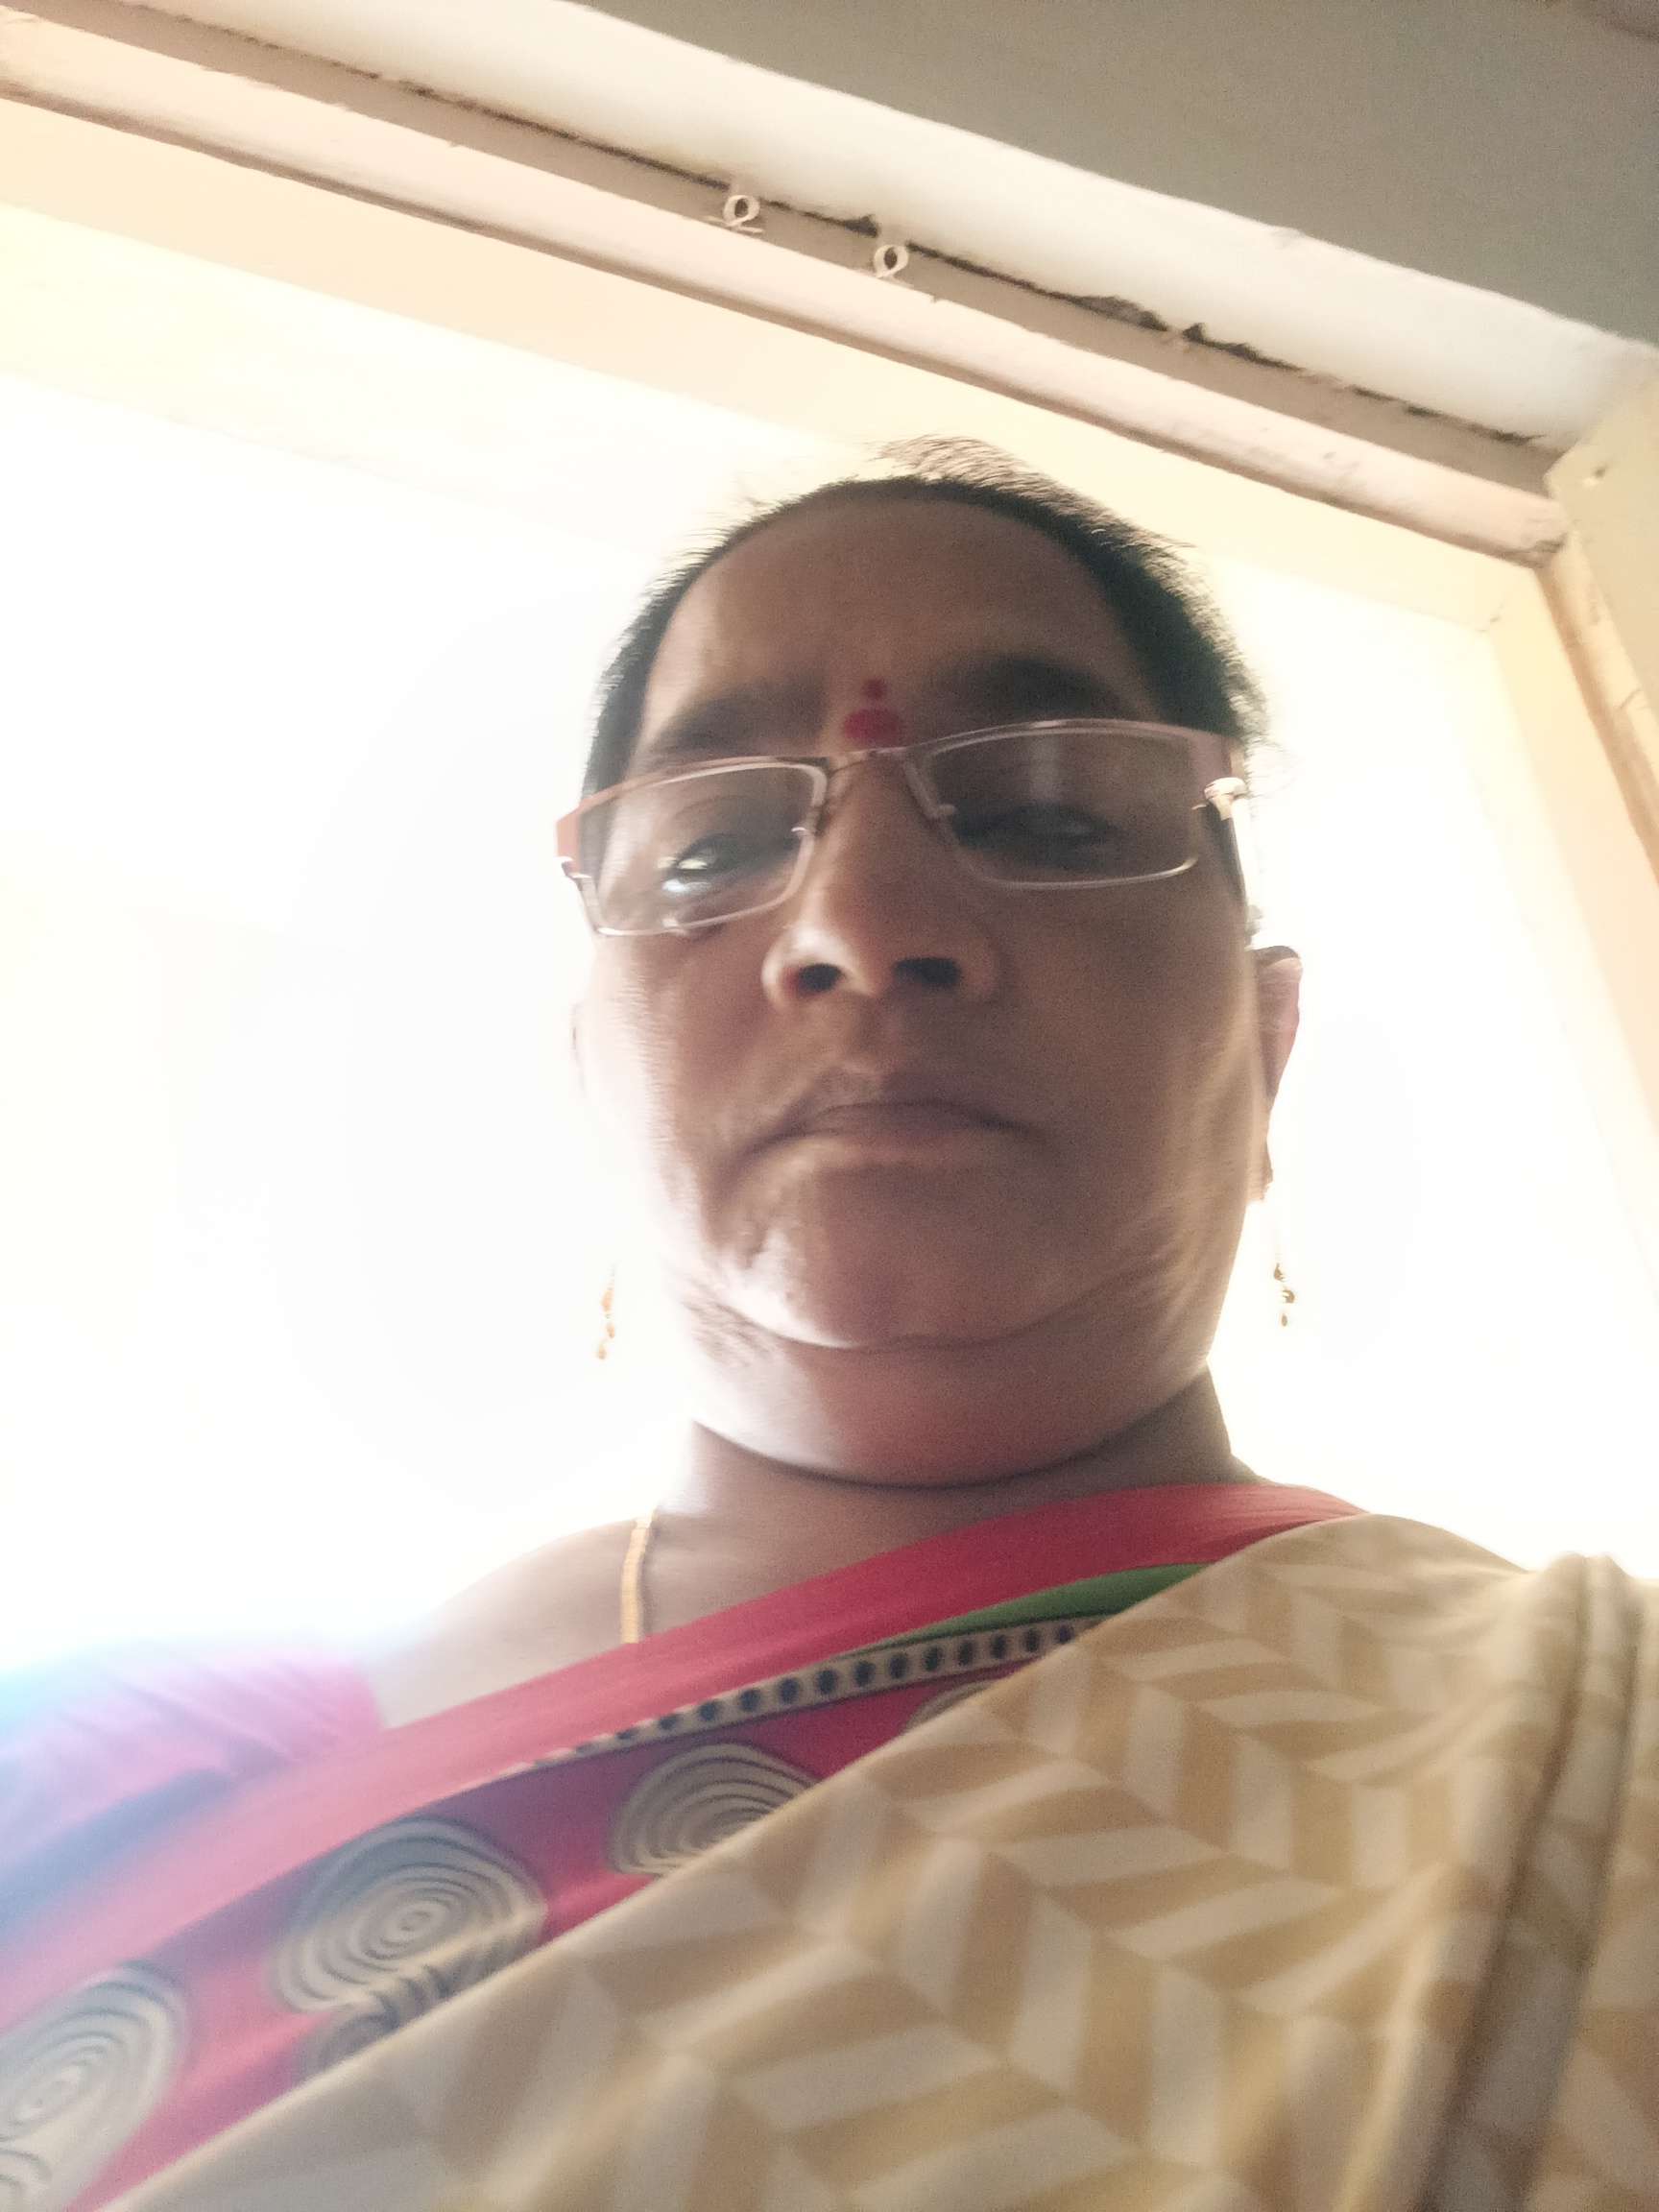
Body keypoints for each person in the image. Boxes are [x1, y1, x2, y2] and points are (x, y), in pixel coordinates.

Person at [4, 442, 1653, 2212]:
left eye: (1045, 813)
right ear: (595, 1073)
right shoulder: (116, 1766)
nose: (862, 926)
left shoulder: (1577, 1763)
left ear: (1266, 1049)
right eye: (714, 845)